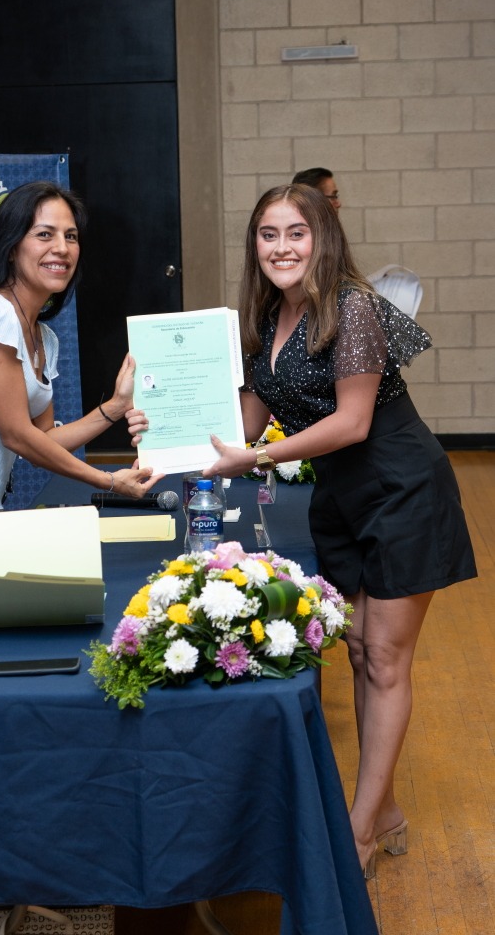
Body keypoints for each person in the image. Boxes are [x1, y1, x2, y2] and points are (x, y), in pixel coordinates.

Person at [133, 183, 477, 878]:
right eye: (267, 234)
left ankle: (357, 835)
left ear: (322, 238)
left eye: (296, 232)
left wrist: (253, 456)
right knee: (354, 650)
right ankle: (383, 809)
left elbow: (349, 423)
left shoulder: (353, 309)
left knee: (383, 659)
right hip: (341, 496)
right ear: (254, 245)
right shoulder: (267, 314)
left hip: (401, 488)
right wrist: (156, 433)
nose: (281, 247)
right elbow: (242, 427)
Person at [0, 179, 159, 520]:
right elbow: (17, 436)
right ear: (11, 246)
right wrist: (109, 480)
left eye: (70, 236)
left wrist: (117, 405)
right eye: (44, 234)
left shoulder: (45, 338)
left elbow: (44, 439)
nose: (62, 248)